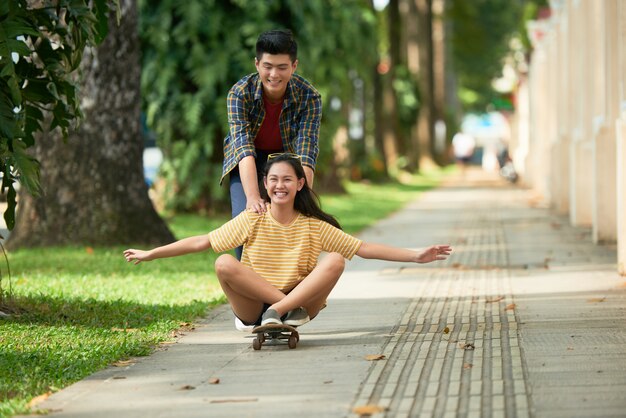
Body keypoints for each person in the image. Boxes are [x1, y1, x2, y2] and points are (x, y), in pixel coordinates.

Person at [124, 154, 452, 330]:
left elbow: (363, 248)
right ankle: (277, 310)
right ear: (265, 184)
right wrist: (152, 254)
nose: (280, 185)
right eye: (273, 180)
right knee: (224, 261)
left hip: (299, 307)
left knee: (337, 259)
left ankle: (280, 310)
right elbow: (202, 242)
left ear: (299, 184)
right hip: (254, 307)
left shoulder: (313, 226)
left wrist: (416, 256)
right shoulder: (253, 217)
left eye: (287, 180)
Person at [221, 29, 322, 259]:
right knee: (244, 220)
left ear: (294, 66)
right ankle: (247, 288)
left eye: (282, 67)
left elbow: (306, 150)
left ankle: (287, 288)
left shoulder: (310, 97)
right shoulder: (239, 93)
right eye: (268, 66)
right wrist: (254, 198)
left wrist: (302, 197)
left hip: (285, 162)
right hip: (248, 160)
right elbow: (243, 147)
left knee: (294, 219)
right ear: (257, 64)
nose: (274, 74)